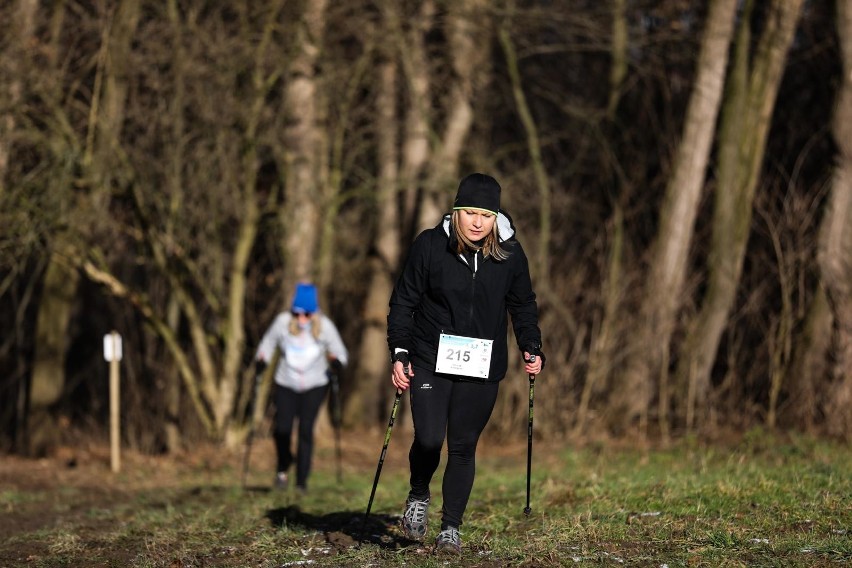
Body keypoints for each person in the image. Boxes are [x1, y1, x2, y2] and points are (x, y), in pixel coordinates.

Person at [387, 173, 545, 554]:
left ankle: (451, 528)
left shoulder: (509, 253)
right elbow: (403, 302)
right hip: (429, 357)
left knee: (462, 446)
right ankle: (419, 494)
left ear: (495, 218)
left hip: (481, 362)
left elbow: (522, 304)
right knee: (428, 438)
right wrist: (400, 351)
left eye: (486, 215)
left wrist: (531, 345)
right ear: (456, 212)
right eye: (470, 213)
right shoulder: (429, 245)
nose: (477, 222)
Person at [255, 282, 348, 493]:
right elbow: (267, 345)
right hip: (286, 383)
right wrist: (262, 359)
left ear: (314, 312)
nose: (302, 319)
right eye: (297, 313)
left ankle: (301, 482)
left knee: (306, 430)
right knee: (282, 429)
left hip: (315, 385)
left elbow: (340, 352)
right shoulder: (282, 322)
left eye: (307, 314)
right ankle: (283, 466)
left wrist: (337, 362)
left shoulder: (325, 326)